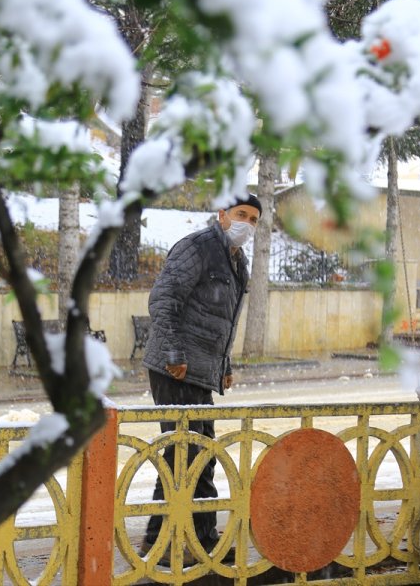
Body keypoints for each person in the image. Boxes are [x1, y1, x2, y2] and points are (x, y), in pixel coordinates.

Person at [139, 193, 261, 566]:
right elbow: (163, 299)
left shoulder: (237, 262)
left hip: (199, 370)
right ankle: (202, 541)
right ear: (222, 214)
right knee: (190, 453)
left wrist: (224, 363)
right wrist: (175, 352)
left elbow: (221, 320)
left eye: (254, 219)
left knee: (191, 453)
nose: (247, 224)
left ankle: (158, 541)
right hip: (173, 367)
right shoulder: (198, 247)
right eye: (241, 215)